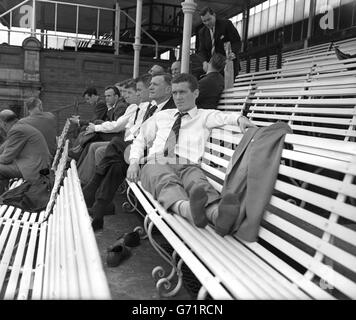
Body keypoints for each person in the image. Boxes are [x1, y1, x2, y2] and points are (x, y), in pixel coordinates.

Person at [127, 73, 255, 236]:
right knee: (165, 179)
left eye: (183, 92)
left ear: (195, 93)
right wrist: (133, 162)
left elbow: (225, 117)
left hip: (188, 164)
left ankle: (218, 217)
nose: (178, 97)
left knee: (198, 183)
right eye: (175, 93)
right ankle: (187, 209)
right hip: (156, 162)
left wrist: (241, 119)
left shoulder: (204, 116)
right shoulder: (161, 116)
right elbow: (140, 139)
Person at [83, 73, 176, 231]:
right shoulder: (152, 106)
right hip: (137, 151)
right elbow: (141, 136)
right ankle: (99, 207)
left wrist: (136, 158)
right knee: (116, 164)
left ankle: (94, 191)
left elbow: (159, 143)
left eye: (155, 85)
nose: (150, 88)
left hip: (154, 157)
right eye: (150, 84)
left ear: (168, 89)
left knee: (116, 144)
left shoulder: (170, 109)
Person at [78, 79, 140, 185]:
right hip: (123, 140)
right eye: (125, 92)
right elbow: (115, 124)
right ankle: (83, 177)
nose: (125, 95)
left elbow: (117, 126)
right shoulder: (132, 107)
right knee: (92, 143)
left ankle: (92, 182)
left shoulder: (122, 106)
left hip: (126, 142)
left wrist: (96, 127)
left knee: (97, 148)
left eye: (128, 92)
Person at [0, 110, 50, 194]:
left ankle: (3, 197)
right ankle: (5, 194)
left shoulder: (16, 130)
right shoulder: (20, 126)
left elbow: (6, 158)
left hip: (34, 170)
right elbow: (5, 146)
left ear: (3, 123)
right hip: (39, 166)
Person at [198, 6, 241, 78]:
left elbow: (237, 41)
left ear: (214, 15)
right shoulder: (202, 32)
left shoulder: (226, 24)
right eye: (204, 21)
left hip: (228, 64)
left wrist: (232, 53)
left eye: (209, 19)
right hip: (212, 68)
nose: (207, 23)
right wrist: (204, 62)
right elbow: (202, 50)